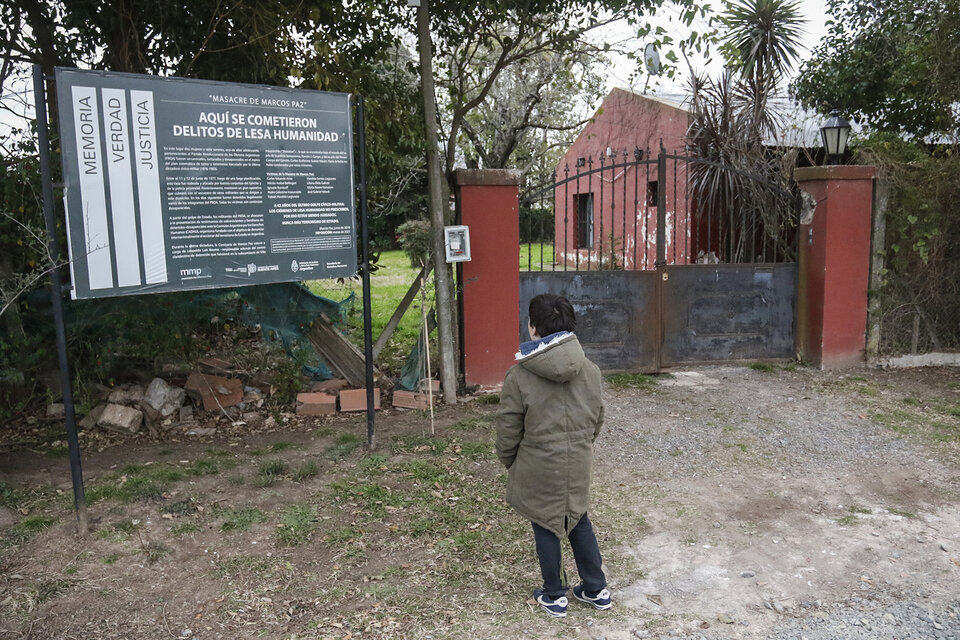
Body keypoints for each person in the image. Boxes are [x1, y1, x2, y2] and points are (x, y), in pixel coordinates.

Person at [495, 292, 610, 618]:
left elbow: (508, 428)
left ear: (533, 329)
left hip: (538, 464)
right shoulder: (590, 370)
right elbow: (596, 418)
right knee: (578, 518)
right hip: (577, 461)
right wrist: (582, 446)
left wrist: (509, 459)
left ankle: (555, 594)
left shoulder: (519, 376)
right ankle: (596, 589)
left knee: (545, 523)